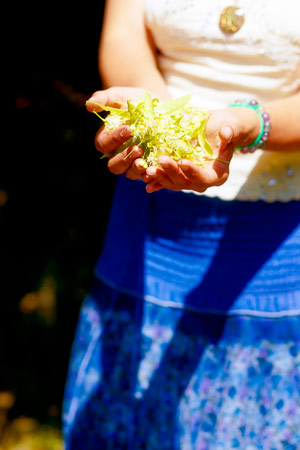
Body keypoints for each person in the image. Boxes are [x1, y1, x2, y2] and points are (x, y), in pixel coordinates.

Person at [62, 0, 300, 448]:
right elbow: (124, 33)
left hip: (281, 237)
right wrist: (161, 118)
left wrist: (249, 124)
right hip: (152, 214)